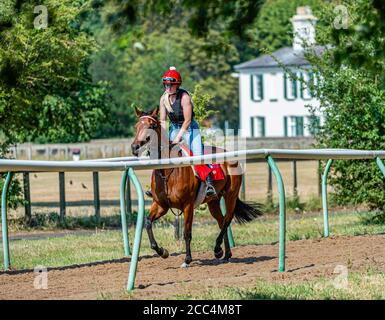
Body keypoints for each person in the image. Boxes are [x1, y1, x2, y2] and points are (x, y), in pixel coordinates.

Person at [147, 66, 217, 199]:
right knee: (162, 154)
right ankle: (155, 187)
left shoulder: (185, 97)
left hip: (190, 129)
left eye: (170, 85)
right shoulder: (163, 99)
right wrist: (161, 137)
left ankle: (209, 184)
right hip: (174, 128)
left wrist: (178, 137)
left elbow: (188, 120)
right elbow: (162, 120)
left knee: (197, 155)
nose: (167, 87)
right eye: (166, 84)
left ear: (177, 85)